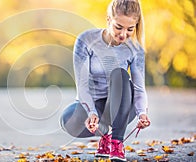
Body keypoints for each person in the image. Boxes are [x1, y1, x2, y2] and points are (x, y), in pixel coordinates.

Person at [60, 0, 151, 161]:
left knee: (120, 75)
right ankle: (106, 136)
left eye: (130, 29)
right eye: (118, 27)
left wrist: (142, 113)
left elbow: (138, 87)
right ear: (109, 19)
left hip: (121, 108)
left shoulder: (135, 49)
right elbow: (82, 85)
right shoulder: (86, 40)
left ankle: (116, 142)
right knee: (67, 120)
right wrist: (91, 113)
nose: (123, 34)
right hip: (94, 105)